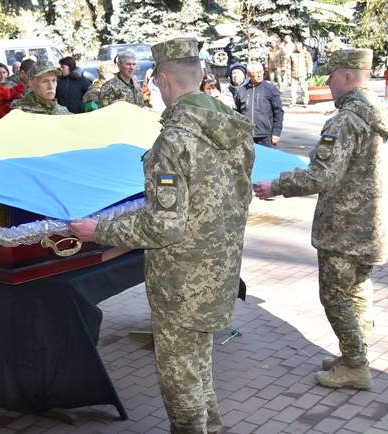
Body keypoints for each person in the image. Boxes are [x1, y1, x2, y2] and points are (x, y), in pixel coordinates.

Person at [70, 37, 254, 434]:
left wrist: (97, 229)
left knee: (178, 375)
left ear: (164, 80)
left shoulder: (174, 139)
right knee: (198, 359)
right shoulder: (232, 130)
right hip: (219, 271)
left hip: (181, 281)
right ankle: (213, 425)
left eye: (155, 83)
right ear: (201, 75)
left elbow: (164, 225)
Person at [254, 49, 388, 390]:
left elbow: (322, 177)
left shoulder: (346, 121)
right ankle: (353, 354)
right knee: (358, 290)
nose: (327, 83)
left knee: (335, 296)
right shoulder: (380, 112)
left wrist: (277, 185)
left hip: (343, 229)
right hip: (371, 225)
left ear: (347, 76)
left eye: (331, 76)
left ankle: (356, 366)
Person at [234, 62, 284, 147]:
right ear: (249, 75)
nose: (259, 75)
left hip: (266, 136)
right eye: (255, 73)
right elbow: (237, 113)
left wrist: (276, 132)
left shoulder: (270, 89)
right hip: (247, 136)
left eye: (261, 72)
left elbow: (278, 112)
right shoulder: (241, 91)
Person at [290, 42, 313, 107]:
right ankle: (292, 102)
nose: (298, 48)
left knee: (304, 89)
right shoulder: (292, 54)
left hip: (302, 74)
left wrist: (309, 71)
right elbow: (289, 64)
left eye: (299, 47)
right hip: (294, 74)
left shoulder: (305, 53)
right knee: (293, 90)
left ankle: (305, 102)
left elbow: (309, 63)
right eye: (297, 47)